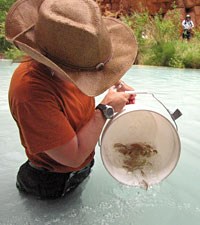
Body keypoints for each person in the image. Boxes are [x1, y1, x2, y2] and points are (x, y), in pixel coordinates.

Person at [5, 0, 138, 199]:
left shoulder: (67, 57)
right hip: (50, 182)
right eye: (86, 74)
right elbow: (73, 157)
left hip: (81, 166)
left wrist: (111, 80)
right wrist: (105, 109)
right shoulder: (29, 93)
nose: (88, 79)